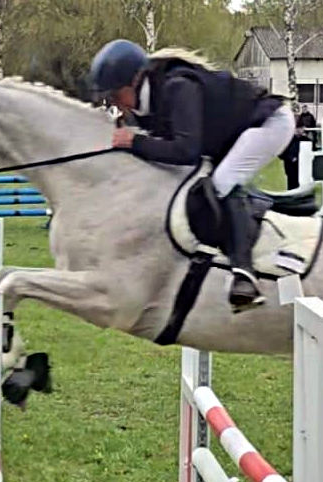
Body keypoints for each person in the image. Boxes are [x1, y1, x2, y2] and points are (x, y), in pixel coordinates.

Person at [88, 39, 295, 312]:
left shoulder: (178, 86)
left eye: (115, 96)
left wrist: (134, 142)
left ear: (134, 81)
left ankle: (244, 275)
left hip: (268, 124)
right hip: (232, 136)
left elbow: (187, 151)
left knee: (221, 183)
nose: (115, 104)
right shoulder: (147, 103)